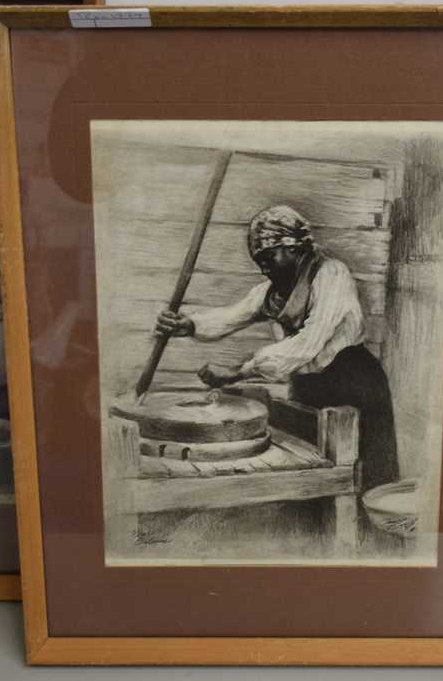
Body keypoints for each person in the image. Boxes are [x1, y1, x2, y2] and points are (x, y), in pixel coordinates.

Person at [154, 204, 398, 491]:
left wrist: (239, 372)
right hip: (308, 388)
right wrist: (189, 325)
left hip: (354, 384)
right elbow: (232, 315)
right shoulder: (271, 292)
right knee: (314, 475)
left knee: (366, 476)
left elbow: (308, 344)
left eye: (269, 257)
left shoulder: (331, 274)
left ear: (293, 247)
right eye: (259, 260)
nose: (263, 267)